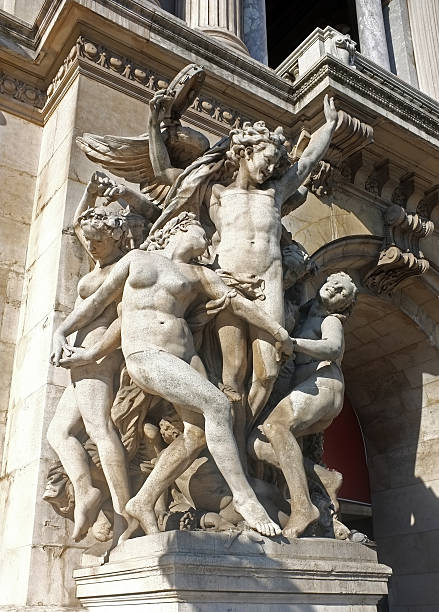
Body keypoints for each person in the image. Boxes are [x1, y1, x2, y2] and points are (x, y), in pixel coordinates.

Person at [52, 212, 294, 538]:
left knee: (195, 436)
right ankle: (245, 498)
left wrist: (277, 330)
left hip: (185, 358)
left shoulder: (199, 274)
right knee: (218, 407)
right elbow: (98, 301)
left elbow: (237, 304)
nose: (208, 241)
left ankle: (144, 500)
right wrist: (64, 333)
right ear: (179, 229)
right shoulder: (138, 259)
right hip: (147, 354)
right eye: (202, 231)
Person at [146, 90, 339, 435]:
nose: (271, 168)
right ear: (246, 152)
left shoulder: (275, 194)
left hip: (268, 285)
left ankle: (243, 433)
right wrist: (153, 121)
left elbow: (307, 161)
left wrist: (330, 126)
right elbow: (165, 173)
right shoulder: (217, 193)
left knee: (267, 371)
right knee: (232, 372)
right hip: (229, 282)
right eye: (266, 159)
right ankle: (229, 439)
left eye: (276, 163)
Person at [47, 170, 157, 544]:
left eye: (98, 242)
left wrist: (92, 352)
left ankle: (126, 512)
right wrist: (90, 193)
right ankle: (87, 493)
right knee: (58, 432)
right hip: (79, 359)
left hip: (96, 358)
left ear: (115, 238)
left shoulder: (123, 270)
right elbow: (79, 225)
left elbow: (125, 321)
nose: (90, 246)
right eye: (89, 241)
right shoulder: (98, 254)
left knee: (98, 429)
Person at [248, 272, 358, 538]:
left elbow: (332, 348)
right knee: (257, 444)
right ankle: (324, 476)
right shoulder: (306, 312)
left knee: (275, 427)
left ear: (344, 306)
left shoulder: (330, 320)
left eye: (342, 292)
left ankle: (302, 508)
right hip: (312, 390)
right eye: (333, 283)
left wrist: (293, 343)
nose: (334, 289)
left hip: (325, 384)